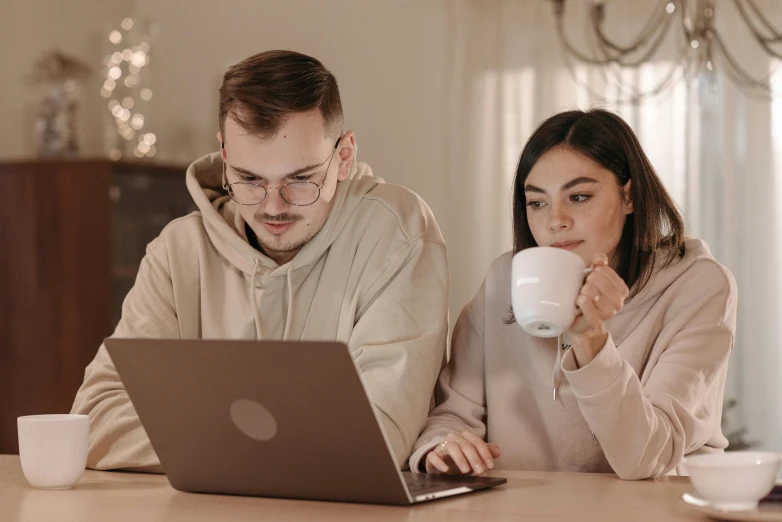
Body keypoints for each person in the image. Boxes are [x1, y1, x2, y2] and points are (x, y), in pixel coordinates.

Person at [71, 50, 448, 472]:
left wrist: (195, 438)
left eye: (301, 179)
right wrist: (263, 446)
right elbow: (94, 420)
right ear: (225, 156)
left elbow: (375, 440)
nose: (273, 208)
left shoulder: (399, 233)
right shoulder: (178, 252)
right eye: (250, 179)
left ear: (344, 157)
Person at [410, 108, 737, 481]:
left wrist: (591, 340)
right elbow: (452, 415)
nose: (555, 220)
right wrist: (444, 448)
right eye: (537, 202)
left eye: (579, 197)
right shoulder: (505, 279)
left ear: (629, 196)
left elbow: (645, 456)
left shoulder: (697, 286)